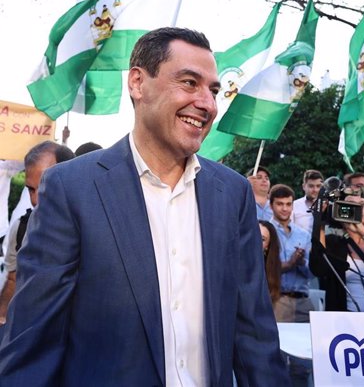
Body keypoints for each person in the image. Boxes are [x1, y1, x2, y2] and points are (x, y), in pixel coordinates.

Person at [0, 28, 288, 386]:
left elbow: (254, 336)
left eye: (213, 90)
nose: (208, 104)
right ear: (137, 82)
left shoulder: (232, 193)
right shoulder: (72, 188)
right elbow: (33, 342)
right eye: (189, 83)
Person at [0, 141, 75, 325]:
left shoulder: (96, 230)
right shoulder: (22, 228)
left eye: (44, 188)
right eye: (30, 190)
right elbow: (12, 279)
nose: (35, 200)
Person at [269, 184, 315, 323]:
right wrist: (289, 264)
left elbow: (312, 273)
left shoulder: (303, 234)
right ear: (271, 205)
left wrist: (301, 263)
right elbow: (264, 269)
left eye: (288, 204)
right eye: (280, 204)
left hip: (303, 299)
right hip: (277, 299)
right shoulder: (265, 232)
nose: (285, 208)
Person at [292, 169, 323, 234]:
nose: (315, 190)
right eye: (311, 186)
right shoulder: (294, 206)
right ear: (303, 186)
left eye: (318, 186)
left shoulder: (329, 206)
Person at [259, 220, 282, 305]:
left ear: (267, 247)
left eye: (262, 239)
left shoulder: (269, 271)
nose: (256, 241)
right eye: (254, 236)